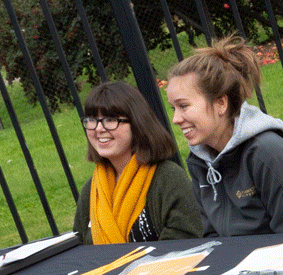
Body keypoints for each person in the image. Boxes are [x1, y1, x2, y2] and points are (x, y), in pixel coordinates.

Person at [166, 37, 283, 236]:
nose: (176, 119)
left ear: (221, 103)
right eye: (173, 109)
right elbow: (211, 236)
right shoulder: (199, 161)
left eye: (184, 106)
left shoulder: (270, 155)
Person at [73, 81, 203, 244]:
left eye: (111, 119)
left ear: (137, 123)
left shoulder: (168, 179)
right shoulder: (92, 190)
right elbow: (78, 251)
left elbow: (183, 243)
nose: (99, 128)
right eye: (92, 120)